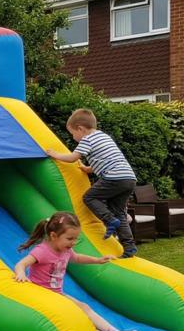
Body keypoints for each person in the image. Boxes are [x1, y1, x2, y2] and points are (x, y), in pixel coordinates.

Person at [14, 211, 139, 331]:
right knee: (75, 313)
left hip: (57, 294)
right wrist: (21, 274)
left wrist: (97, 260)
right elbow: (21, 264)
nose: (73, 243)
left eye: (75, 239)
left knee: (84, 307)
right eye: (69, 239)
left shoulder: (65, 250)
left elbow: (77, 258)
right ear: (53, 236)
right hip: (43, 295)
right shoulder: (42, 251)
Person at [45, 109, 138, 258]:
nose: (74, 138)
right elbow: (107, 160)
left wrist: (54, 154)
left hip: (114, 178)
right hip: (129, 179)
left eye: (73, 134)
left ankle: (109, 220)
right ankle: (129, 247)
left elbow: (72, 158)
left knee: (89, 197)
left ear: (80, 129)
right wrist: (88, 169)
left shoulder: (87, 139)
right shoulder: (104, 136)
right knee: (119, 212)